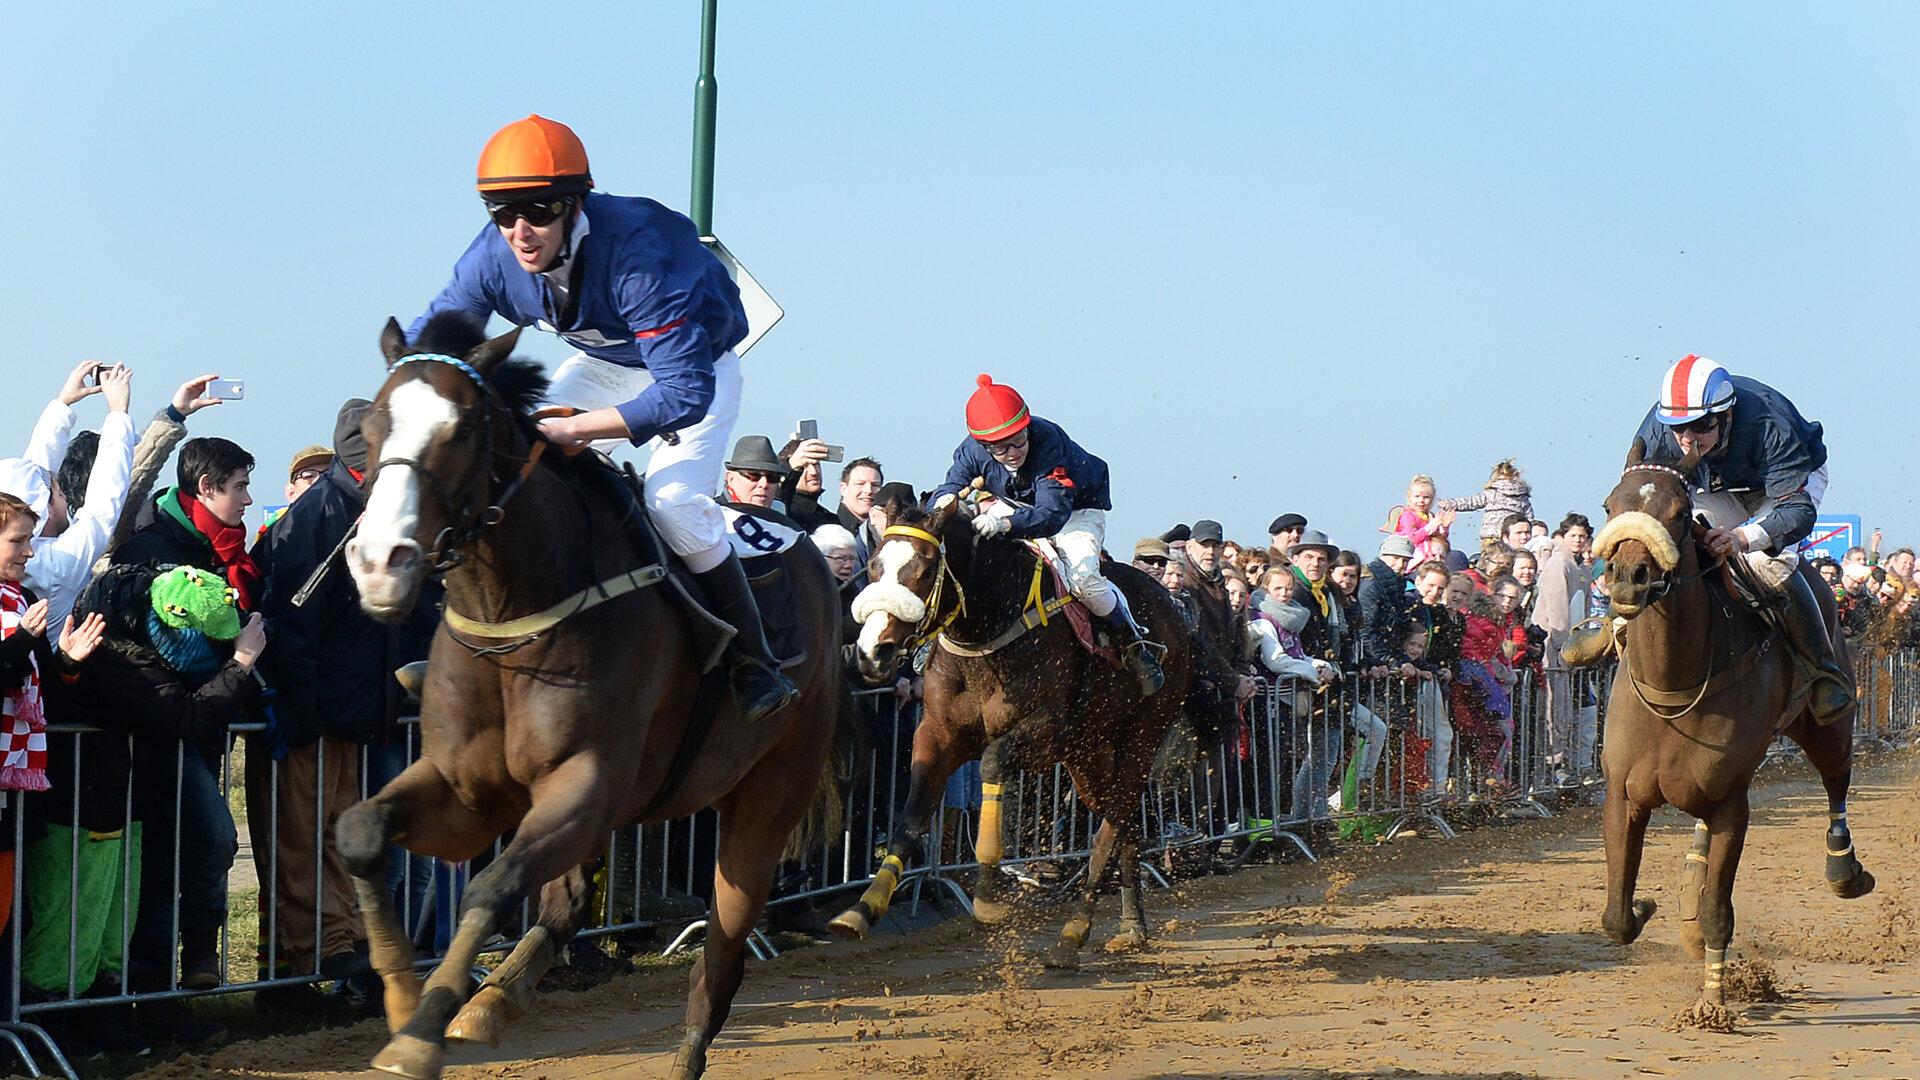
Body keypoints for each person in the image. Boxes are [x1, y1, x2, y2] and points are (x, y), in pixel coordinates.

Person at [409, 113, 794, 724]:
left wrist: (576, 429)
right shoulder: (491, 257)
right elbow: (431, 342)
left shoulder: (639, 260)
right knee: (504, 457)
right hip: (609, 362)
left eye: (537, 211)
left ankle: (754, 658)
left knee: (673, 503)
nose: (520, 231)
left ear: (574, 204)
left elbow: (682, 394)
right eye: (502, 213)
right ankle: (466, 641)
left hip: (697, 369)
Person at [1606, 355, 1852, 723]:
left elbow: (1798, 512)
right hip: (1716, 485)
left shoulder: (1770, 424)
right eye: (1680, 428)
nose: (1688, 439)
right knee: (1676, 544)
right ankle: (1614, 624)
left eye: (1702, 426)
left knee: (1768, 561)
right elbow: (1647, 498)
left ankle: (1823, 671)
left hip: (1784, 485)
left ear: (1727, 416)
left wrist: (1741, 537)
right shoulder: (1657, 430)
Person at [110, 437, 257, 1018]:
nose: (249, 498)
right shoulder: (153, 546)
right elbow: (150, 636)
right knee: (207, 842)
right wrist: (239, 657)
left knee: (191, 849)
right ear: (206, 489)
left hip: (199, 722)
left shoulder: (218, 546)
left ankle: (188, 976)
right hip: (160, 724)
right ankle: (163, 986)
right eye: (240, 486)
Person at [931, 374, 1163, 694]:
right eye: (1000, 447)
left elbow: (1051, 515)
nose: (1012, 452)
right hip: (1017, 503)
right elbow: (948, 488)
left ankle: (1132, 640)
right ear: (983, 445)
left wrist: (1006, 525)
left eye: (1018, 440)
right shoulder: (970, 451)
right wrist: (941, 501)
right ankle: (932, 641)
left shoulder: (1048, 440)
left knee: (1082, 579)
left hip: (1076, 511)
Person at [0, 360, 138, 629]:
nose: (67, 499)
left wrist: (63, 406)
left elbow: (29, 481)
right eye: (60, 491)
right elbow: (103, 504)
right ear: (44, 509)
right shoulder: (57, 565)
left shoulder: (10, 545)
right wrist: (118, 413)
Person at [1439, 460, 1534, 545]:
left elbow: (1471, 502)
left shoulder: (1492, 493)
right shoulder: (1522, 497)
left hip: (1491, 536)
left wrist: (1449, 504)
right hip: (1512, 537)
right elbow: (1529, 518)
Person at [837, 459, 885, 564]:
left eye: (875, 485)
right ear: (844, 489)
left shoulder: (884, 535)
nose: (868, 491)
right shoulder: (830, 528)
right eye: (860, 484)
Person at [721, 435, 789, 509]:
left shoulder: (780, 514)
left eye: (772, 478)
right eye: (754, 475)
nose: (764, 484)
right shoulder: (711, 515)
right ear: (731, 479)